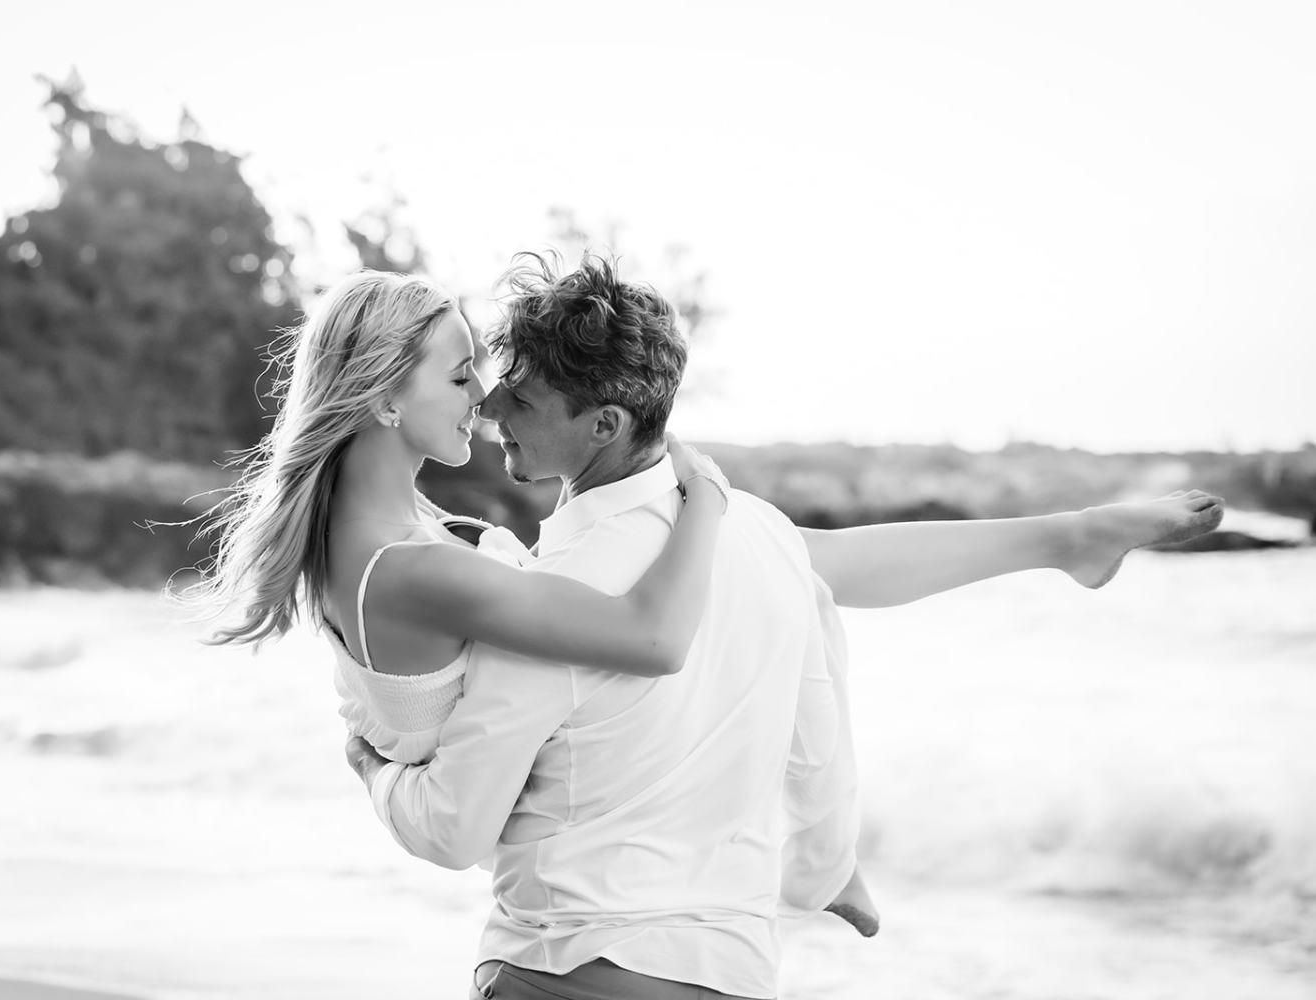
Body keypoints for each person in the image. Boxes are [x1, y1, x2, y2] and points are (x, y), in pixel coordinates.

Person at [344, 253, 1225, 1000]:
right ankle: (1070, 540)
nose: (491, 409)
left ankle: (1070, 538)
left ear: (604, 425)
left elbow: (453, 829)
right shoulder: (754, 536)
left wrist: (375, 768)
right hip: (734, 968)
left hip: (568, 968)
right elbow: (819, 720)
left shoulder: (553, 600)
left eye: (522, 400)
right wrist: (823, 863)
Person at [184, 268, 734, 760]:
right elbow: (657, 642)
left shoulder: (368, 529)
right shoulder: (415, 570)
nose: (482, 395)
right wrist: (706, 495)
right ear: (384, 401)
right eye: (458, 375)